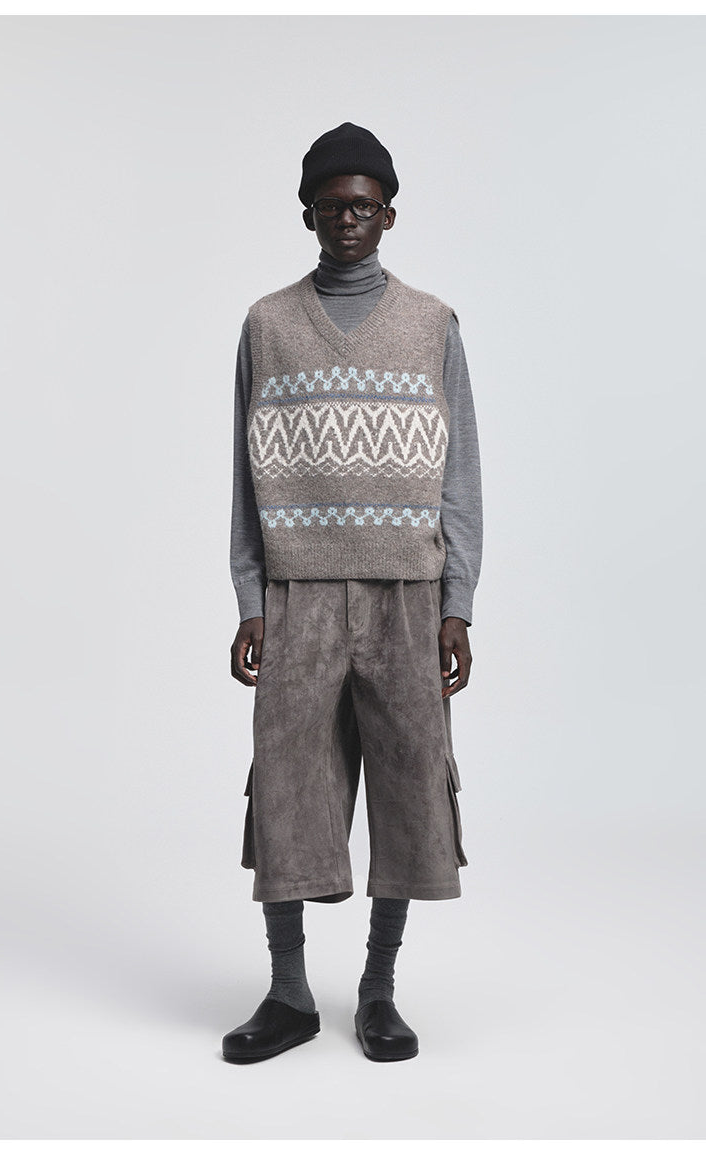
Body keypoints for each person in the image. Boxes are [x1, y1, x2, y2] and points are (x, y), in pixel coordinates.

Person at [223, 122, 483, 1064]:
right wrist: (250, 599)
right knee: (287, 780)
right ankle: (289, 991)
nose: (347, 220)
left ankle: (379, 988)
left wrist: (458, 603)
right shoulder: (266, 324)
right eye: (331, 206)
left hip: (406, 589)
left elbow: (461, 476)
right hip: (296, 588)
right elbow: (242, 476)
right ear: (307, 214)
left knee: (411, 781)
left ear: (389, 215)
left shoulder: (432, 323)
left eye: (363, 206)